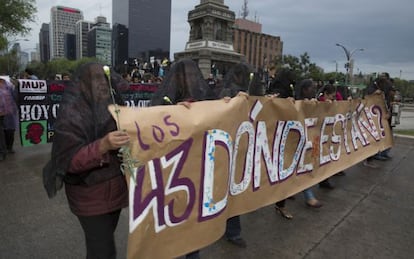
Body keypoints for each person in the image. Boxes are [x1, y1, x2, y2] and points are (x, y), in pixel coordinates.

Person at [152, 59, 245, 259]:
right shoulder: (162, 99)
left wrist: (228, 104)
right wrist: (173, 112)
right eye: (186, 75)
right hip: (175, 172)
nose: (191, 79)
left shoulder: (205, 97)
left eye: (194, 75)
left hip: (201, 167)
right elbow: (151, 127)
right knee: (177, 215)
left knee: (192, 218)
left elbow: (218, 114)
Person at [43, 63, 130, 258]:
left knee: (102, 244)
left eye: (104, 79)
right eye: (95, 79)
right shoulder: (71, 114)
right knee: (103, 251)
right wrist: (103, 145)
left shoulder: (115, 108)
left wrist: (179, 110)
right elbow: (68, 161)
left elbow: (145, 125)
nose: (102, 84)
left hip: (115, 194)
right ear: (82, 84)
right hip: (89, 197)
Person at [294, 79, 323, 208]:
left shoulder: (313, 102)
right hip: (297, 141)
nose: (314, 90)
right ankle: (308, 196)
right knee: (302, 167)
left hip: (309, 141)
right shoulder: (295, 103)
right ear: (305, 90)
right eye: (312, 88)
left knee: (305, 166)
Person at [0, 78, 16, 161]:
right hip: (5, 114)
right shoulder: (9, 87)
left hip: (9, 114)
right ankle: (5, 149)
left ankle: (7, 149)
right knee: (4, 132)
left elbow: (16, 97)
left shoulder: (10, 87)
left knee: (9, 131)